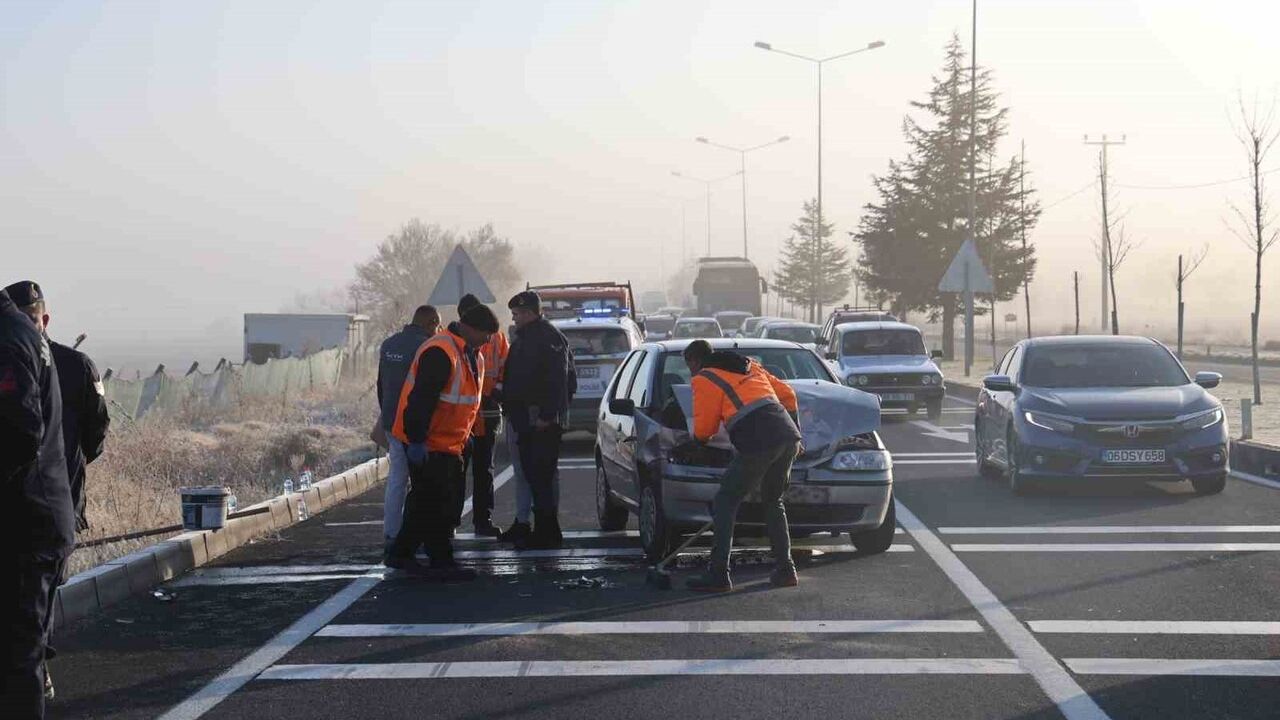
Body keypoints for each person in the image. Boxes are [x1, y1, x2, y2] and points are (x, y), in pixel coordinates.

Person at [3, 281, 110, 703]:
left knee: (26, 627)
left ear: (43, 318)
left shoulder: (66, 362)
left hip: (40, 506)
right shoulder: (43, 353)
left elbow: (94, 433)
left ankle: (36, 668)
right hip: (50, 503)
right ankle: (37, 665)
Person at [0, 285, 73, 719]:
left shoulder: (8, 340)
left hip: (26, 528)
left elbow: (19, 432)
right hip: (29, 520)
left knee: (17, 664)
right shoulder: (17, 332)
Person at [385, 303, 498, 579]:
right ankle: (436, 558)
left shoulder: (470, 354)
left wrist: (468, 436)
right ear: (469, 328)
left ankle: (405, 555)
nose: (488, 341)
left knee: (429, 502)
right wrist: (417, 440)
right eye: (485, 334)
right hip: (430, 442)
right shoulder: (441, 351)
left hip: (451, 443)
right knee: (435, 503)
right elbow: (420, 400)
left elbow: (466, 403)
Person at [682, 339, 802, 593]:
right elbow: (789, 395)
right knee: (773, 500)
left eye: (689, 365)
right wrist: (796, 432)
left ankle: (718, 575)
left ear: (694, 361)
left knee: (725, 501)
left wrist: (695, 443)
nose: (691, 371)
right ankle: (786, 570)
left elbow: (704, 429)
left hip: (758, 440)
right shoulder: (751, 366)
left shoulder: (704, 378)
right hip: (787, 435)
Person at [501, 291, 575, 550]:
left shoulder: (547, 337)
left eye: (518, 314)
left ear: (531, 312)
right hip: (525, 416)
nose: (515, 319)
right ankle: (541, 529)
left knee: (542, 476)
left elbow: (561, 379)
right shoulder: (526, 338)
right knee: (534, 475)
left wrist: (547, 415)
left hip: (539, 418)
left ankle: (547, 532)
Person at [375, 305, 440, 555]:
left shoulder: (389, 344)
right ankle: (418, 534)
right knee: (421, 481)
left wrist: (386, 416)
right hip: (414, 424)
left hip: (392, 419)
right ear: (431, 323)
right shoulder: (426, 348)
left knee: (397, 479)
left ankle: (391, 531)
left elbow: (381, 385)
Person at [457, 294, 508, 537]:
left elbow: (507, 367)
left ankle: (469, 520)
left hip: (483, 411)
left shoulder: (494, 337)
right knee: (479, 469)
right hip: (467, 415)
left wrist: (497, 389)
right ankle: (480, 521)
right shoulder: (455, 341)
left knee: (471, 469)